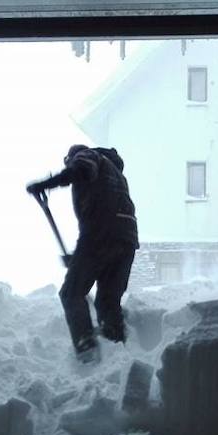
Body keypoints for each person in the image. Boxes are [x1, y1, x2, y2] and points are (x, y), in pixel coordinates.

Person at [26, 145, 138, 358]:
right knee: (107, 301)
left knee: (71, 293)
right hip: (126, 240)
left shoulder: (89, 156)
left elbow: (81, 169)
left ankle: (86, 349)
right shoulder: (116, 175)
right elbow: (107, 213)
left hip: (99, 234)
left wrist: (45, 184)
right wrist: (79, 257)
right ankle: (116, 352)